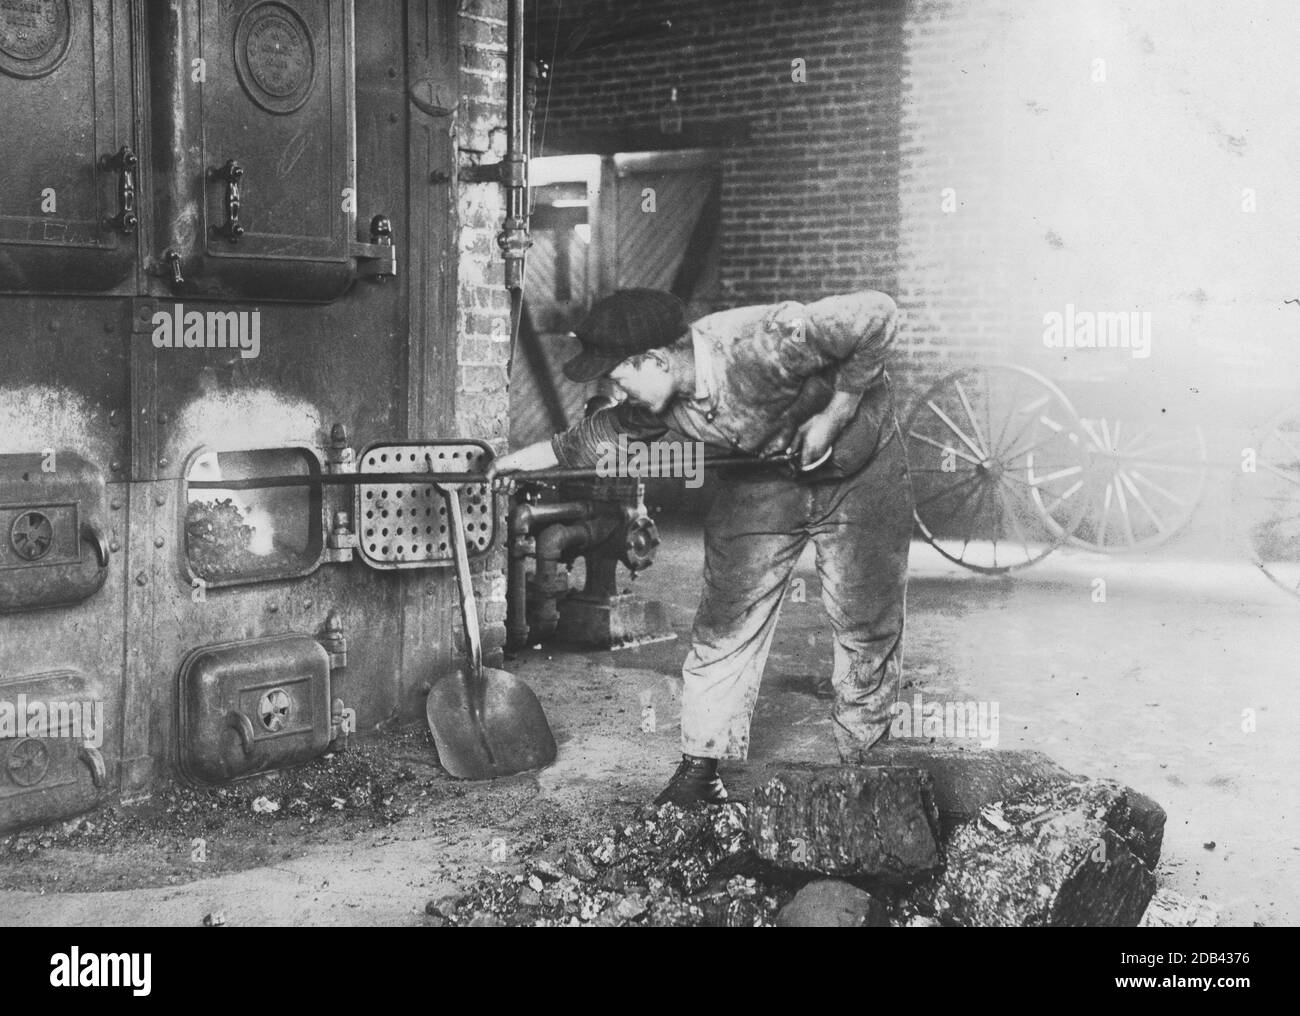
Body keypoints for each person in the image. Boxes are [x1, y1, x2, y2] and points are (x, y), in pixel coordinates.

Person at [488, 288, 913, 806]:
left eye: (619, 377)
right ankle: (700, 768)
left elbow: (877, 314)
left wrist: (837, 412)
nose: (617, 391)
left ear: (655, 360)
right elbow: (578, 444)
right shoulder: (659, 405)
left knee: (865, 622)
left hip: (859, 470)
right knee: (725, 618)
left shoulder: (764, 340)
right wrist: (503, 466)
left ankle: (867, 770)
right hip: (768, 476)